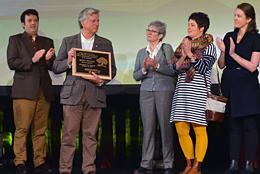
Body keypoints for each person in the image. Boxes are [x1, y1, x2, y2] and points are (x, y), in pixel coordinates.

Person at [53, 8, 117, 174]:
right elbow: (56, 66)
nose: (97, 23)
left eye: (98, 21)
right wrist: (68, 61)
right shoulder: (69, 41)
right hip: (73, 94)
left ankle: (89, 168)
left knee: (91, 135)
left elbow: (112, 69)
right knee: (68, 135)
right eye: (93, 20)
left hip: (95, 93)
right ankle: (65, 168)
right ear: (83, 22)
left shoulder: (105, 43)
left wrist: (101, 80)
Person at [7, 9, 55, 174]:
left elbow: (53, 67)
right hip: (24, 91)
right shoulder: (15, 40)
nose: (33, 23)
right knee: (22, 128)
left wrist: (48, 60)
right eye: (29, 20)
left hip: (44, 91)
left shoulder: (47, 41)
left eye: (35, 20)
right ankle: (19, 161)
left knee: (40, 130)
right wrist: (32, 60)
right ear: (23, 24)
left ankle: (39, 161)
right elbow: (12, 62)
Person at [170, 12, 217, 174]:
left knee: (199, 128)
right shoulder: (183, 44)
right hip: (182, 90)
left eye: (192, 25)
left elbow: (204, 68)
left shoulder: (209, 46)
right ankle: (189, 163)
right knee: (181, 127)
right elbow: (173, 69)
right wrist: (183, 56)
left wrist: (190, 54)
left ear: (201, 28)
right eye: (188, 24)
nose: (188, 27)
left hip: (198, 91)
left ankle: (198, 166)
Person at [216, 3, 260, 174]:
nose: (235, 18)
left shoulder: (256, 38)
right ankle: (233, 163)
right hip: (231, 83)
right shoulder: (229, 36)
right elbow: (221, 65)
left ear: (249, 18)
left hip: (247, 85)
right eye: (234, 15)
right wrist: (223, 52)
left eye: (239, 16)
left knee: (249, 124)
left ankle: (248, 163)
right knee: (233, 125)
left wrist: (233, 53)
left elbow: (252, 66)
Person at [133, 21, 176, 174]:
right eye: (148, 30)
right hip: (146, 92)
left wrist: (157, 66)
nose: (149, 33)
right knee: (148, 128)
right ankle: (146, 163)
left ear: (160, 35)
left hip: (164, 91)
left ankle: (168, 163)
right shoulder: (141, 52)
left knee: (165, 127)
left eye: (153, 31)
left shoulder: (166, 48)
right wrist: (144, 69)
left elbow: (173, 70)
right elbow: (135, 75)